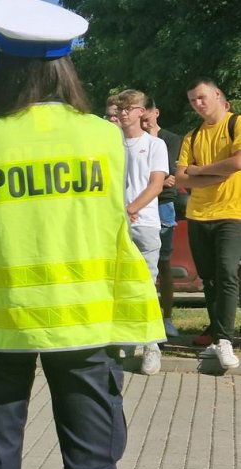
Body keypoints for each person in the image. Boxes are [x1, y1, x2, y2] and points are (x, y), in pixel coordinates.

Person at [0, 1, 165, 469]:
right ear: (66, 68)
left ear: (3, 68)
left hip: (2, 325)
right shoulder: (104, 137)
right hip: (87, 323)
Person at [175, 78, 241, 369]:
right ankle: (216, 337)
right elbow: (181, 178)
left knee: (227, 272)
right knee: (209, 279)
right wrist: (215, 173)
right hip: (198, 214)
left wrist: (200, 171)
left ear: (217, 95)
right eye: (192, 100)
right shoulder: (191, 136)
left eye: (201, 97)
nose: (197, 104)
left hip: (231, 213)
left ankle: (226, 340)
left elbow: (238, 163)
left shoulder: (235, 123)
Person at [114, 88, 168, 375]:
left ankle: (152, 346)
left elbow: (156, 184)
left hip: (144, 221)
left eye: (130, 108)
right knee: (120, 284)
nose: (124, 112)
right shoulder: (112, 143)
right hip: (116, 224)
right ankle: (125, 339)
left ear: (142, 112)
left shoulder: (154, 145)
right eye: (121, 108)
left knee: (146, 285)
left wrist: (131, 208)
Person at [141, 97, 183, 338]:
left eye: (148, 119)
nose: (145, 124)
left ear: (156, 113)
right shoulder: (134, 139)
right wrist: (157, 178)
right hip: (141, 203)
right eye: (142, 120)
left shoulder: (170, 139)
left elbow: (169, 175)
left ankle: (167, 318)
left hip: (162, 204)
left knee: (163, 263)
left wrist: (158, 179)